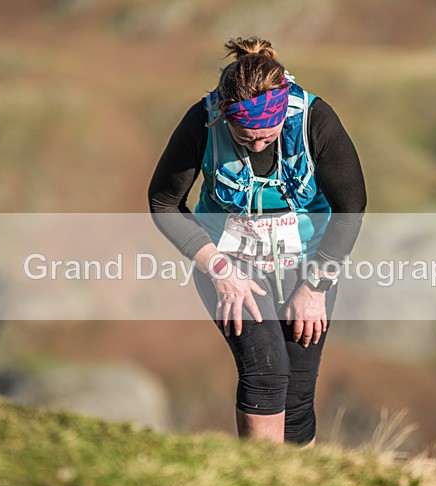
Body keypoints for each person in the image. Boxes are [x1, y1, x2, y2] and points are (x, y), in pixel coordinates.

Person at [148, 37, 366, 447]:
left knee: (298, 394)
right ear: (226, 118)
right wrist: (219, 270)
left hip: (310, 263)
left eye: (269, 136)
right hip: (230, 264)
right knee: (266, 370)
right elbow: (163, 202)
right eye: (246, 138)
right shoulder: (203, 120)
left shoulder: (314, 119)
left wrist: (315, 287)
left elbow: (351, 207)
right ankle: (263, 485)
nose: (259, 145)